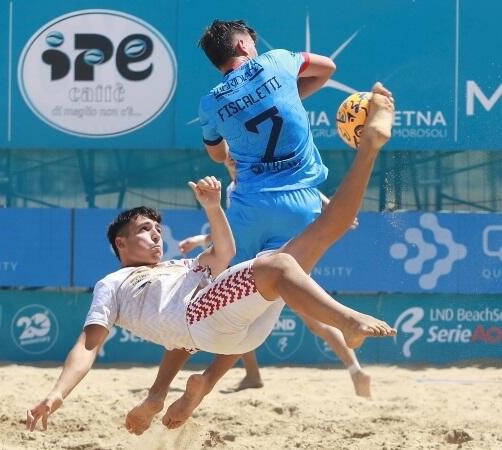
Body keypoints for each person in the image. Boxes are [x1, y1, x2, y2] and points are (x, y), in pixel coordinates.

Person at [25, 85, 396, 433]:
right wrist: (58, 392)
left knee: (327, 230)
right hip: (204, 325)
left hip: (233, 333)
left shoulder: (179, 268)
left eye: (157, 228)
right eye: (144, 229)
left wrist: (213, 208)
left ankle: (370, 146)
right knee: (277, 265)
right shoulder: (113, 283)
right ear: (120, 243)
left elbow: (225, 254)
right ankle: (348, 321)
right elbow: (88, 345)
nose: (155, 233)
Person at [194, 18, 370, 395]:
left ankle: (198, 383)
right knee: (291, 297)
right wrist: (285, 93)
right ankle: (350, 354)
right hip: (300, 205)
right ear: (243, 45)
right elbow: (328, 68)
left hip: (248, 208)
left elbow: (216, 153)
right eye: (252, 43)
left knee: (234, 303)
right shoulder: (277, 62)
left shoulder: (210, 103)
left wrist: (230, 152)